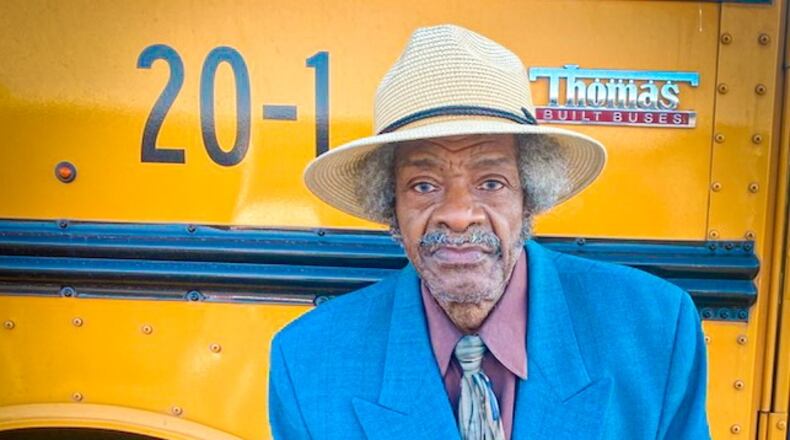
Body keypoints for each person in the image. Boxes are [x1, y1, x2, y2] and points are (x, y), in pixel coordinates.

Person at [268, 24, 710, 440]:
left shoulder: (654, 329)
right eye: (424, 185)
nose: (459, 215)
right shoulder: (307, 361)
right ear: (392, 208)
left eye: (491, 183)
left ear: (529, 197)